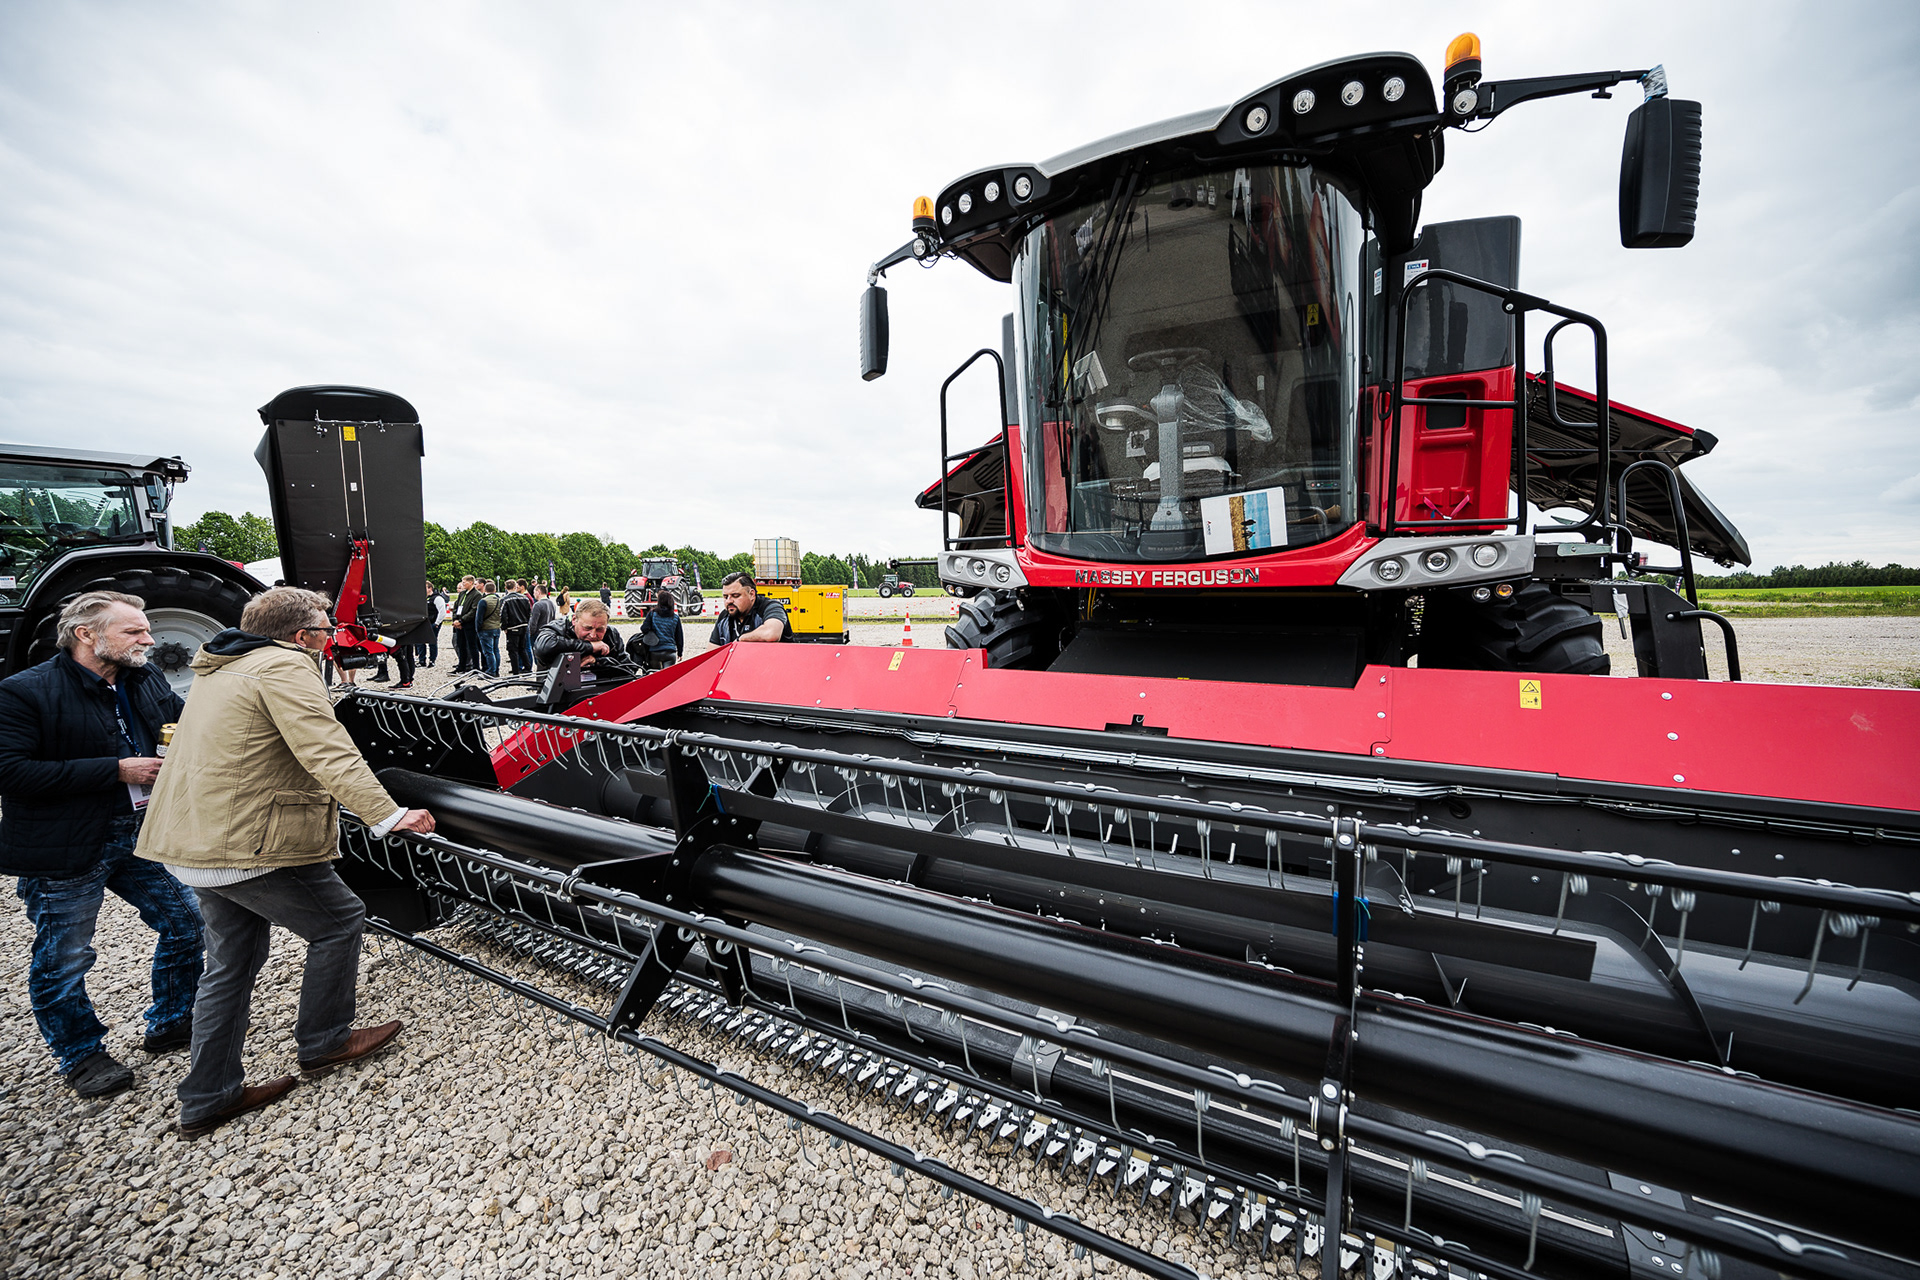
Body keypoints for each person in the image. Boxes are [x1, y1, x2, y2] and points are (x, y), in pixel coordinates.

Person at [136, 587, 435, 1139]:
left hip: (196, 837)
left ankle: (208, 1096)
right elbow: (325, 747)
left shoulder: (221, 665)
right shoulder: (285, 666)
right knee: (340, 921)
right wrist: (388, 815)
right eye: (326, 629)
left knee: (230, 963)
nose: (331, 637)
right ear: (302, 636)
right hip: (250, 841)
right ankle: (325, 1041)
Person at [0, 592, 203, 1099]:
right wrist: (115, 770)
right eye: (134, 631)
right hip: (64, 843)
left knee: (189, 922)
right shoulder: (24, 691)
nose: (149, 640)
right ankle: (81, 1054)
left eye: (146, 629)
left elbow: (185, 723)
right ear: (85, 634)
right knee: (65, 957)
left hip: (140, 831)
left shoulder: (145, 677)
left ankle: (172, 1021)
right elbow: (10, 771)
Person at [533, 598, 631, 673]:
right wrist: (590, 647)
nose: (593, 635)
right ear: (574, 620)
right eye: (587, 628)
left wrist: (597, 662)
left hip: (602, 691)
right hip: (557, 692)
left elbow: (629, 669)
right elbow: (543, 648)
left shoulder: (611, 634)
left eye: (599, 629)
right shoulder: (556, 628)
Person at [709, 572, 789, 645]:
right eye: (725, 597)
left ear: (751, 594)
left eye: (735, 596)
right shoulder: (724, 617)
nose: (729, 601)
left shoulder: (771, 607)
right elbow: (712, 652)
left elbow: (771, 634)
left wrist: (740, 640)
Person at [629, 588, 685, 671]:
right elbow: (679, 637)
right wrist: (680, 652)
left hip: (655, 651)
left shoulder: (652, 614)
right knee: (667, 675)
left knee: (656, 675)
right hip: (670, 652)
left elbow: (644, 629)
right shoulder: (675, 618)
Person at [500, 579, 533, 676]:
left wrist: (504, 627)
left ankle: (516, 671)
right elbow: (529, 612)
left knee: (512, 650)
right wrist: (526, 622)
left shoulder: (505, 600)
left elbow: (503, 615)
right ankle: (528, 668)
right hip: (523, 625)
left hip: (512, 627)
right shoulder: (524, 598)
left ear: (506, 587)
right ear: (515, 587)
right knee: (522, 648)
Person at [449, 575, 480, 673]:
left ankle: (475, 667)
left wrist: (462, 620)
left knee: (472, 646)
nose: (463, 584)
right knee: (460, 645)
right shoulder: (462, 594)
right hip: (459, 624)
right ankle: (461, 666)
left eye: (464, 582)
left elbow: (473, 610)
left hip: (469, 624)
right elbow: (456, 607)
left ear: (471, 582)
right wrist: (455, 620)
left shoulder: (476, 595)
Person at [417, 580, 448, 669]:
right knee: (420, 641)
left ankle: (432, 660)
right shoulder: (424, 598)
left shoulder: (437, 598)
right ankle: (421, 660)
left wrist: (437, 623)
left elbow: (442, 612)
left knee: (432, 642)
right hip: (424, 623)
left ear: (430, 588)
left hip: (433, 622)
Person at [475, 578, 503, 676]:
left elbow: (479, 618)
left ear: (485, 590)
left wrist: (477, 629)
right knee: (496, 650)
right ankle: (496, 670)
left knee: (488, 652)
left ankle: (491, 671)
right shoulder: (499, 600)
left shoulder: (483, 601)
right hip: (496, 627)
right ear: (494, 590)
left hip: (486, 629)